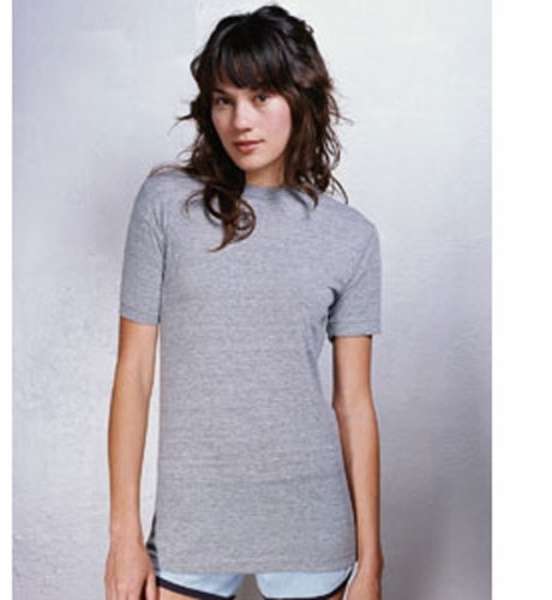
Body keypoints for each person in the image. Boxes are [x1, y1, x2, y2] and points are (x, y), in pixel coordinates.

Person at [105, 5, 384, 600]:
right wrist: (123, 533)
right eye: (224, 100)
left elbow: (354, 404)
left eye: (261, 96)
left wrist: (372, 559)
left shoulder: (350, 237)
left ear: (301, 98)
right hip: (192, 520)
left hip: (312, 519)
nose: (241, 120)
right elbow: (134, 372)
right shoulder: (165, 205)